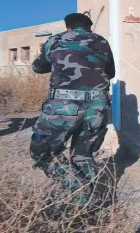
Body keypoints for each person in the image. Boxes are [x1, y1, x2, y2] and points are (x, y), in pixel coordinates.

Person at [29, 12, 115, 206]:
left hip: (64, 107)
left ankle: (78, 189)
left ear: (68, 27)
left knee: (42, 154)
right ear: (89, 28)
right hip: (98, 107)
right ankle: (93, 201)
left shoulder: (56, 40)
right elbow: (111, 72)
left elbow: (37, 67)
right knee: (83, 156)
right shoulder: (102, 41)